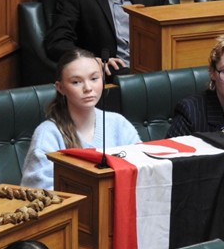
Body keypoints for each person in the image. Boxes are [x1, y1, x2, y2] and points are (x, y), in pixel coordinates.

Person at [20, 48, 141, 190]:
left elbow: (142, 170)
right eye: (76, 82)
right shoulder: (48, 134)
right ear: (60, 88)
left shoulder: (118, 123)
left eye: (94, 79)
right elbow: (38, 190)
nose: (88, 88)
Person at [44, 0, 168, 82]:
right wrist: (91, 61)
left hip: (154, 66)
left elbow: (171, 29)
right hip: (111, 73)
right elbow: (57, 42)